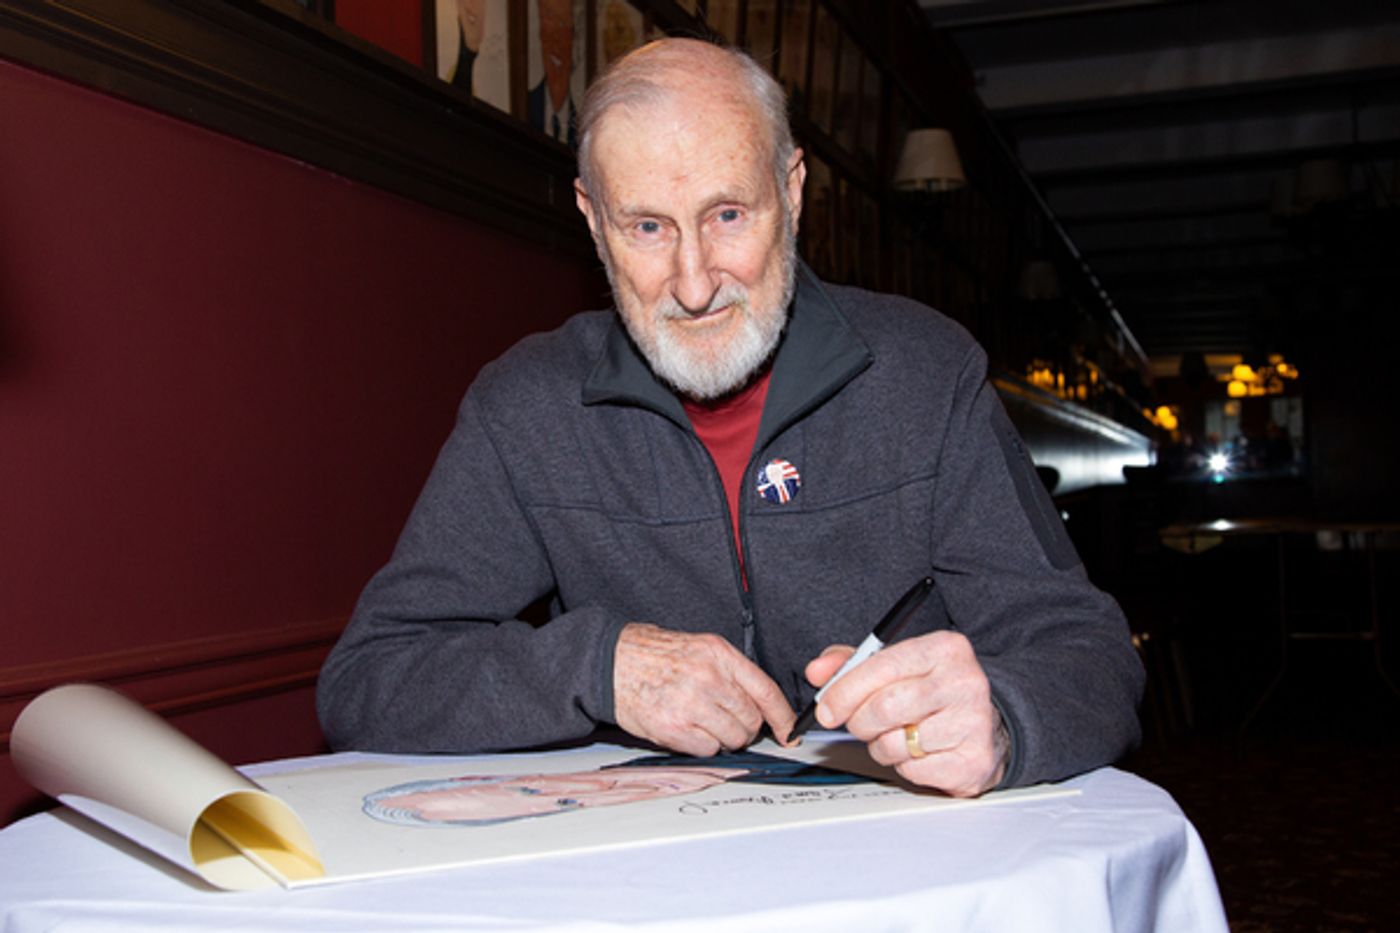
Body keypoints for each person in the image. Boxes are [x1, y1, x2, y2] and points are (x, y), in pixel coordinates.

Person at [317, 38, 1144, 799]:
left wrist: (1003, 718)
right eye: (647, 227)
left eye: (728, 216)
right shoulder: (525, 407)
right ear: (591, 219)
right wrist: (603, 667)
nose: (693, 282)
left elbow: (1091, 655)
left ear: (791, 189)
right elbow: (368, 681)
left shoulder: (928, 374)